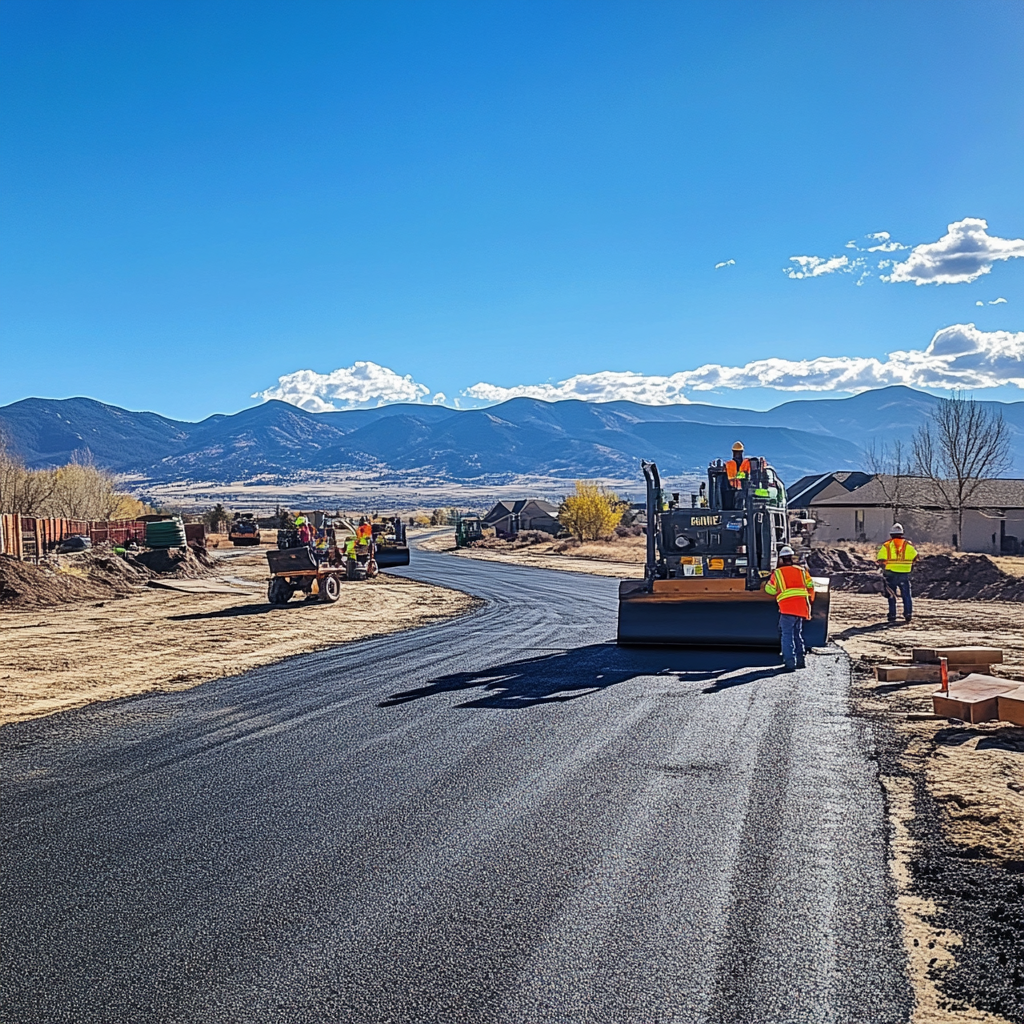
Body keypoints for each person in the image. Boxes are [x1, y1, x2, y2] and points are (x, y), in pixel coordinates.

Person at [764, 545, 816, 672]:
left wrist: (766, 582)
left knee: (787, 635)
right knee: (797, 634)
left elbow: (770, 590)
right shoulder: (802, 571)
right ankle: (801, 660)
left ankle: (790, 662)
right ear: (792, 558)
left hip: (787, 609)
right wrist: (809, 603)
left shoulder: (777, 573)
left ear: (781, 559)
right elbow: (811, 586)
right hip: (802, 608)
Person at [876, 523, 918, 624]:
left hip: (891, 574)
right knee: (906, 595)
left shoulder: (886, 545)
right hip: (904, 574)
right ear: (902, 534)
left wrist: (884, 567)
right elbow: (916, 558)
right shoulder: (908, 545)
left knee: (891, 595)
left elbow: (880, 560)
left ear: (891, 534)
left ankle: (892, 615)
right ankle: (908, 614)